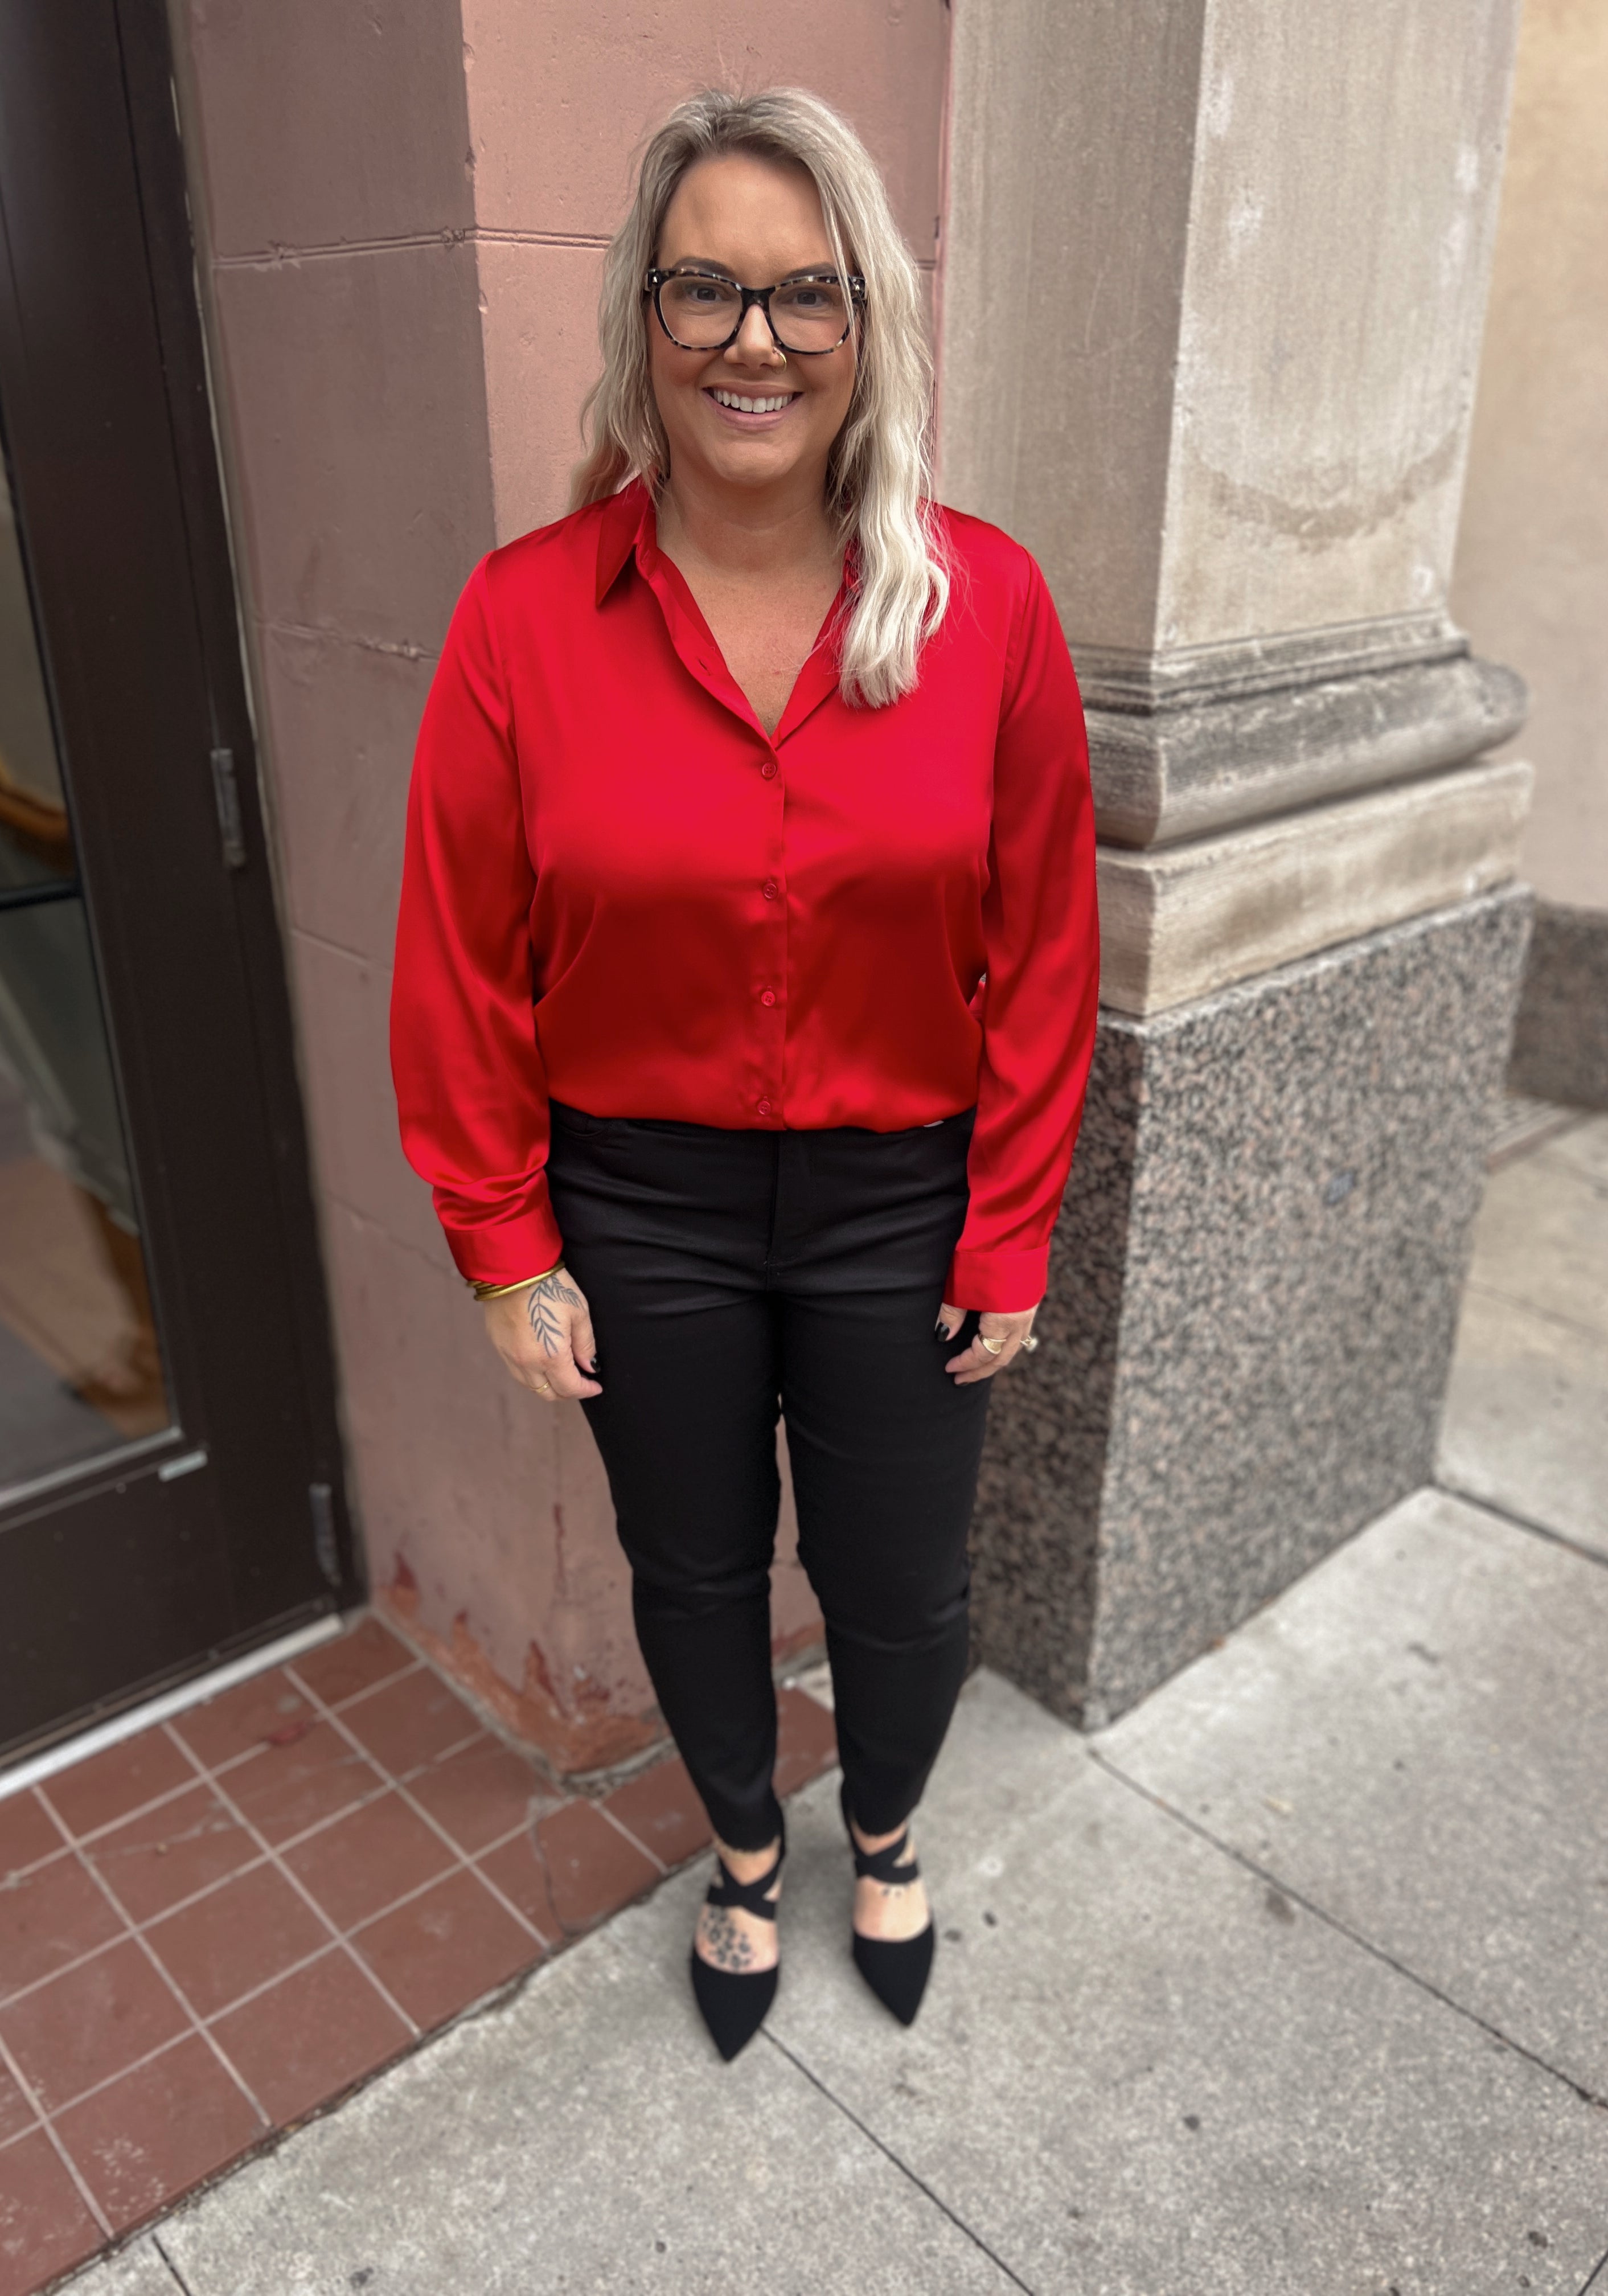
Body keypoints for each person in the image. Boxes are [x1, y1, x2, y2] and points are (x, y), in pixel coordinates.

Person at [391, 86, 1098, 2061]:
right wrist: (505, 1242)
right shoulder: (524, 620)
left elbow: (1048, 948)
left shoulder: (988, 606)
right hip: (641, 1211)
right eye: (704, 289)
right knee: (691, 1572)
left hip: (907, 1205)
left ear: (869, 323)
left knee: (904, 1585)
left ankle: (884, 1834)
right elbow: (460, 956)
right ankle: (743, 1853)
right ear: (645, 317)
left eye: (806, 294)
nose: (754, 341)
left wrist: (1013, 1227)